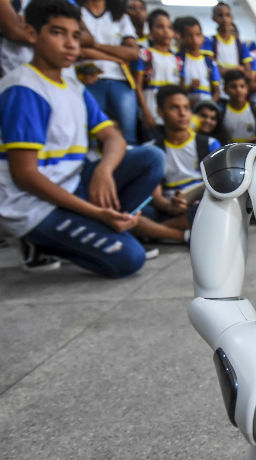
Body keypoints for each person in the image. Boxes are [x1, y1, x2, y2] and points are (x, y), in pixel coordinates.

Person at [0, 0, 164, 276]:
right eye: (57, 33)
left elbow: (113, 137)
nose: (69, 44)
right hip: (34, 205)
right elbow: (24, 175)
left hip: (72, 185)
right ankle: (38, 241)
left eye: (75, 36)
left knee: (151, 158)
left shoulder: (74, 87)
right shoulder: (24, 89)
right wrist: (95, 212)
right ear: (31, 34)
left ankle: (103, 224)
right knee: (128, 259)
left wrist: (104, 169)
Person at [143, 85, 221, 242]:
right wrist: (169, 206)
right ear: (160, 112)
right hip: (168, 207)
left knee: (211, 208)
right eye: (174, 108)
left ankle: (152, 231)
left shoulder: (209, 144)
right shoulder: (151, 150)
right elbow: (156, 195)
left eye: (186, 108)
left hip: (198, 205)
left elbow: (219, 187)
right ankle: (185, 235)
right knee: (137, 213)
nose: (183, 114)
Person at [77, 0, 140, 145]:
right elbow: (81, 51)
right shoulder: (78, 12)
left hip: (120, 80)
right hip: (87, 79)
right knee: (92, 136)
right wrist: (117, 57)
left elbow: (133, 53)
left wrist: (94, 45)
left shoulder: (120, 17)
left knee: (128, 137)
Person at [134, 9, 181, 135]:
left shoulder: (177, 59)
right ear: (150, 32)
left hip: (172, 118)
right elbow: (137, 86)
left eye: (169, 27)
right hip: (152, 113)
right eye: (160, 27)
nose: (166, 31)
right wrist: (146, 112)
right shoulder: (145, 55)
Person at [208, 2, 252, 107]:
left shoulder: (240, 45)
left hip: (237, 97)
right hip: (219, 95)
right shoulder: (210, 42)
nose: (224, 19)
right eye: (220, 15)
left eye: (227, 15)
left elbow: (248, 74)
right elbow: (213, 71)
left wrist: (224, 70)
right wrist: (237, 68)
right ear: (214, 18)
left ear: (232, 18)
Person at [176, 16, 220, 105]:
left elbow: (216, 91)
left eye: (198, 35)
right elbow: (176, 89)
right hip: (185, 106)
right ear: (182, 38)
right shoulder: (179, 59)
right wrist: (189, 89)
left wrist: (210, 105)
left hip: (207, 107)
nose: (194, 39)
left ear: (203, 37)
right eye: (189, 36)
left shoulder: (210, 62)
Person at [220, 69, 256, 145]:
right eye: (233, 86)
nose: (238, 90)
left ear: (247, 89)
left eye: (242, 86)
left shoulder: (255, 110)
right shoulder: (221, 113)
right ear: (225, 90)